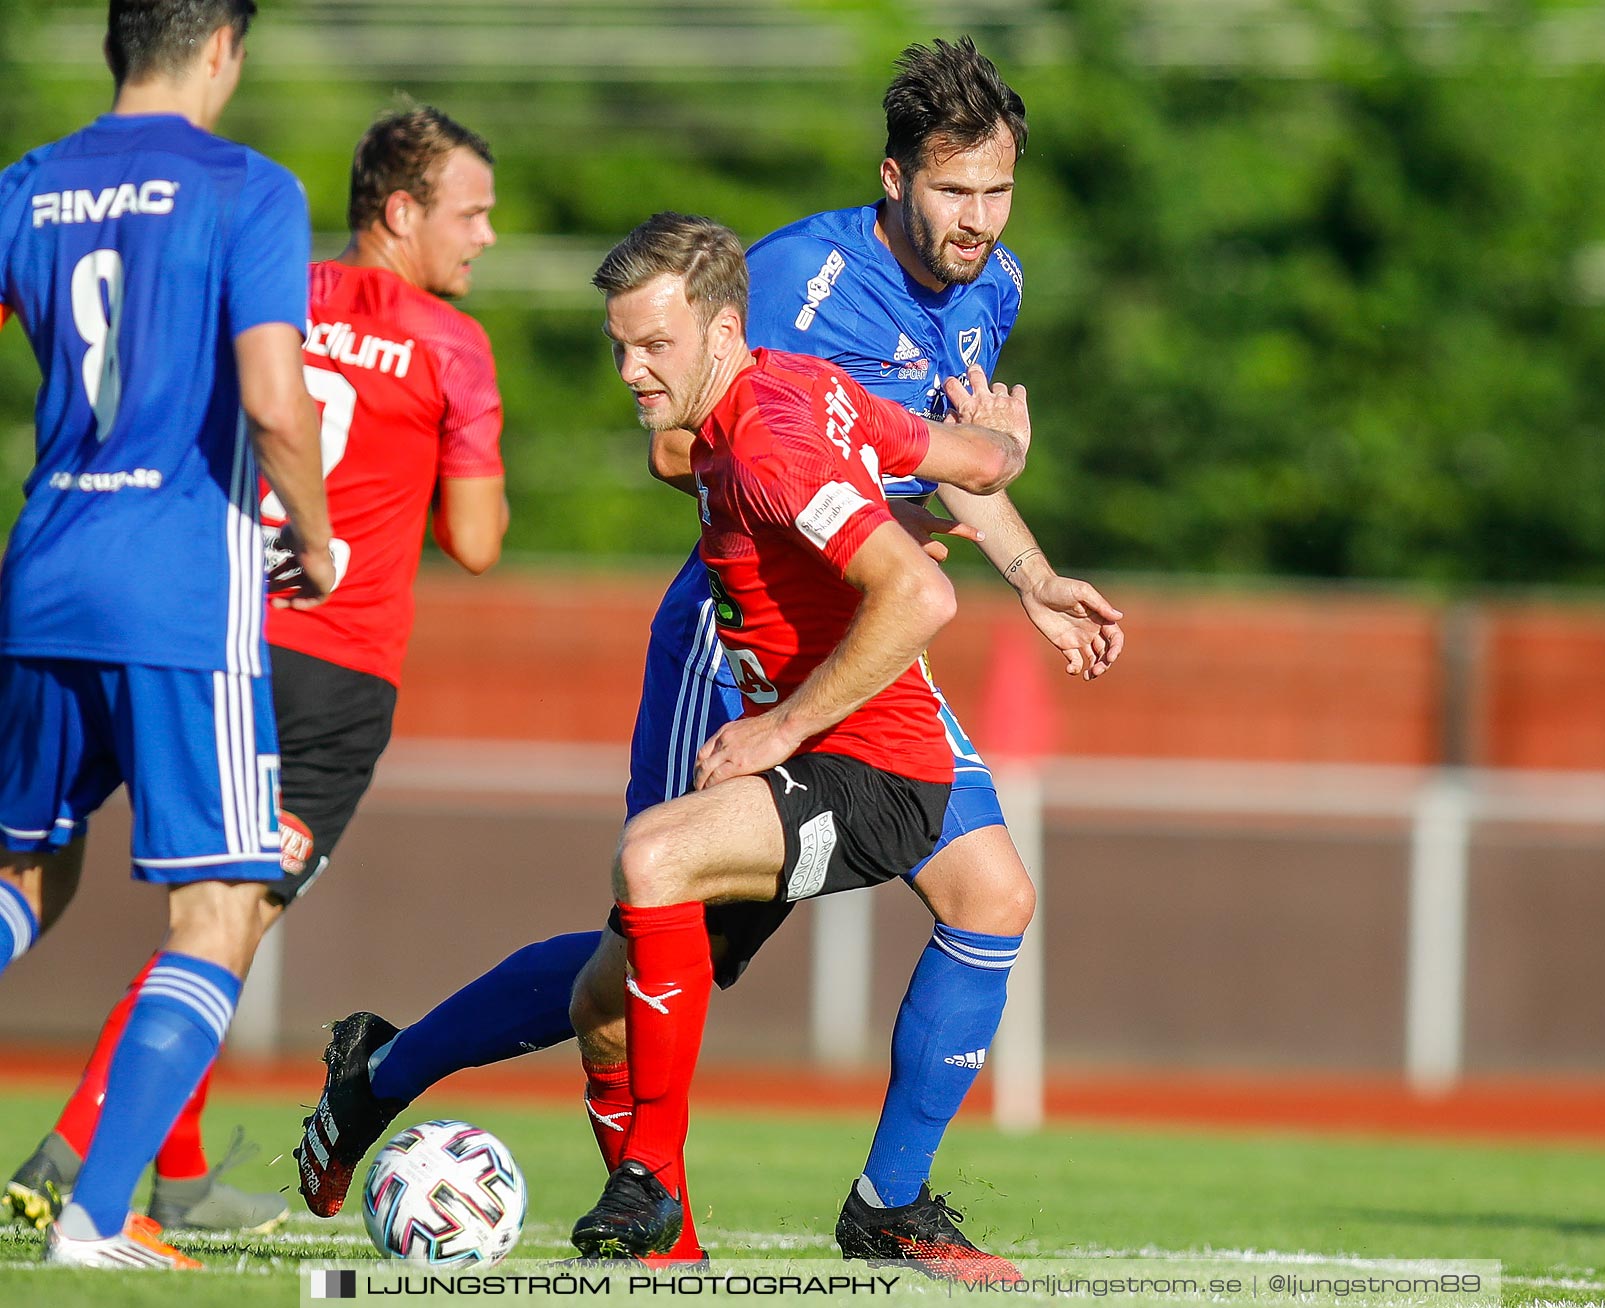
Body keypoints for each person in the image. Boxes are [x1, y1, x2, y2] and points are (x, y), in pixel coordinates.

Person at [294, 38, 1122, 1280]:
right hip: (742, 653)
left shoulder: (991, 285)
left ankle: (888, 1206)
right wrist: (849, 509)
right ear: (894, 179)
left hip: (869, 639)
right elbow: (685, 449)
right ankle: (406, 1089)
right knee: (629, 969)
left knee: (992, 894)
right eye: (954, 193)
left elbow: (939, 455)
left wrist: (1035, 574)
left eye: (998, 193)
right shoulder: (795, 278)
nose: (979, 221)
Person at [3, 105, 508, 1239]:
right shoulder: (451, 344)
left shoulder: (271, 281)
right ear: (400, 211)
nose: (485, 236)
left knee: (135, 895)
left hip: (201, 625)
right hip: (333, 671)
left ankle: (173, 1181)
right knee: (226, 921)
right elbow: (478, 542)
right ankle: (75, 1150)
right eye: (470, 213)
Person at [575, 210, 1029, 1264]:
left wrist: (777, 728)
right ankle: (399, 1087)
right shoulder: (798, 386)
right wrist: (1007, 451)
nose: (631, 373)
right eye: (620, 347)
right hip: (860, 757)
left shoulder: (773, 443)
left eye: (655, 347)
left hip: (868, 771)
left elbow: (919, 595)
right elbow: (961, 455)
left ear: (725, 329)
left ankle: (648, 1184)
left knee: (653, 861)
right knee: (601, 982)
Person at [0, 0, 332, 1269]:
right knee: (222, 905)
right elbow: (273, 398)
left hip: (42, 577)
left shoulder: (27, 183)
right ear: (223, 51)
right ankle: (95, 1218)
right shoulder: (247, 186)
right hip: (178, 589)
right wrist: (316, 530)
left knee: (27, 873)